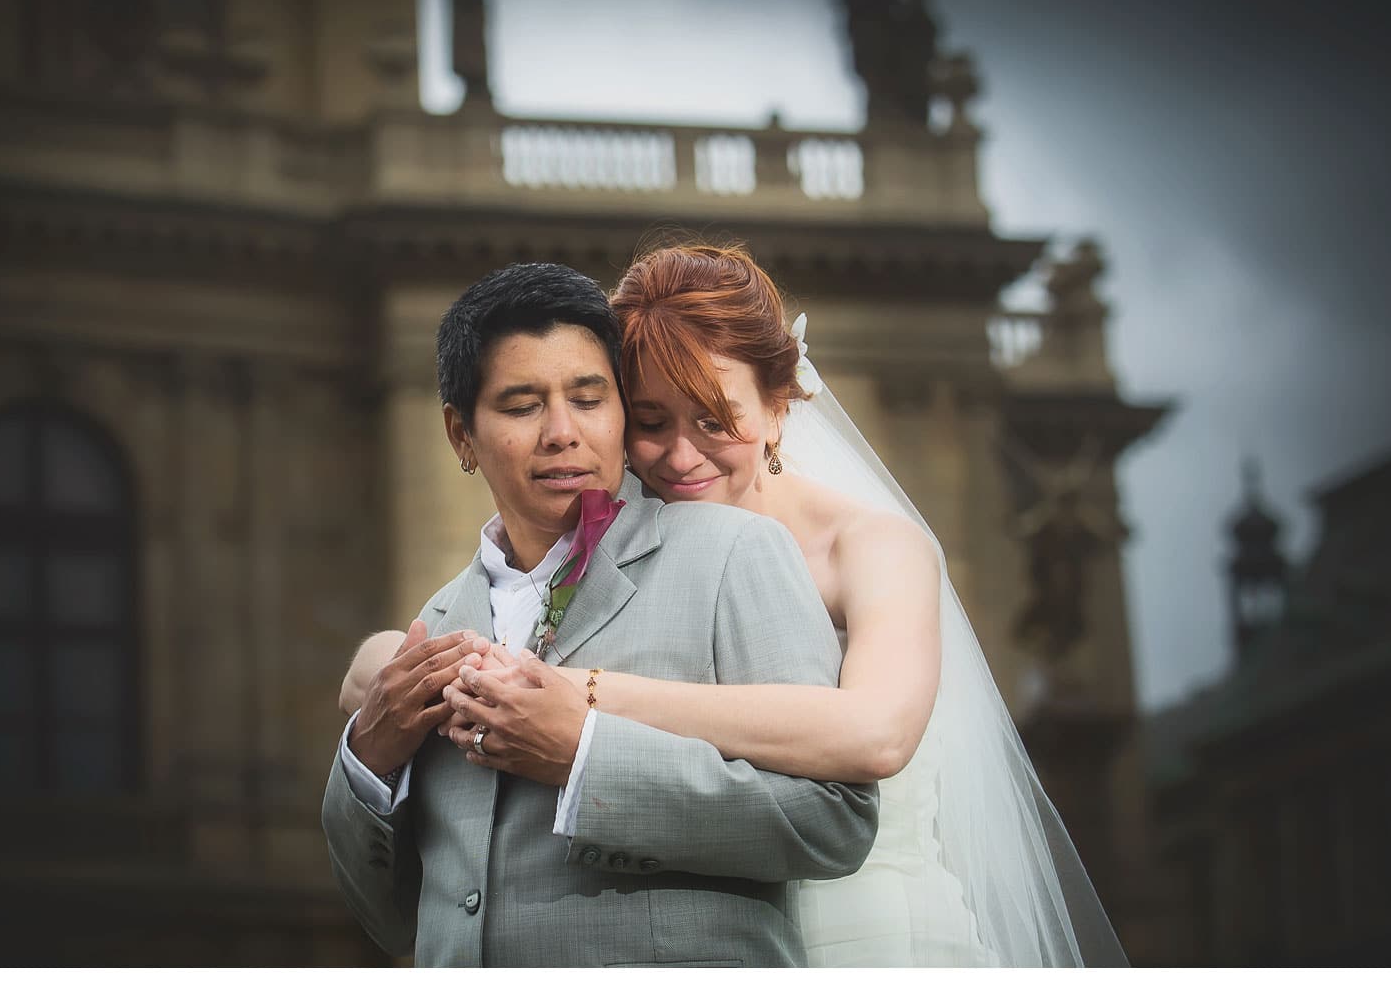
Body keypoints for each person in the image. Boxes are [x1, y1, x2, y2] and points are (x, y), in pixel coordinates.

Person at [341, 244, 1128, 967]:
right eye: (650, 422)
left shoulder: (870, 546)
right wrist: (386, 664)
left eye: (715, 420)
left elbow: (875, 735)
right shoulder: (600, 555)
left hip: (876, 932)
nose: (680, 457)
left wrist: (584, 706)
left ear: (780, 409)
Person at [321, 261, 878, 967]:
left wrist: (584, 763)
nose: (562, 432)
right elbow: (394, 922)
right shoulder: (435, 622)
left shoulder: (734, 554)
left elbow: (835, 823)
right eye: (522, 406)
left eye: (589, 399)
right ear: (461, 435)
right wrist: (367, 759)